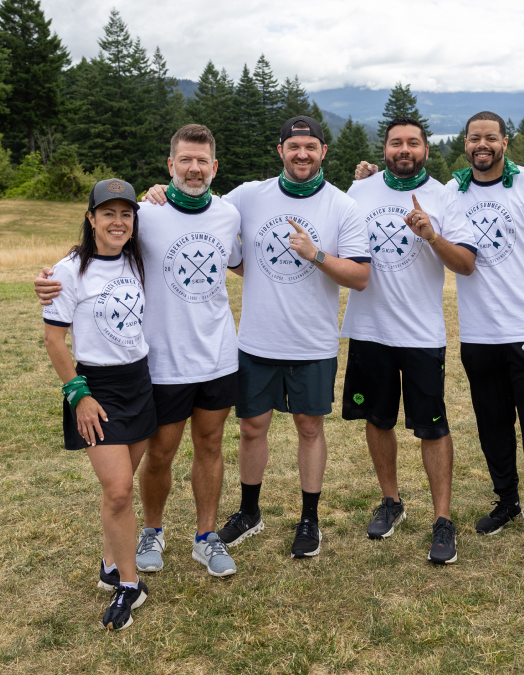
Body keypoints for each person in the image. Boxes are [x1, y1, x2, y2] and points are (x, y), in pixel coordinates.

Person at [143, 116, 370, 559]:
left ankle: (310, 518)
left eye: (310, 146)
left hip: (313, 341)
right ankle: (249, 512)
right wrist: (155, 193)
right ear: (280, 150)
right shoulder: (247, 196)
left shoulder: (342, 206)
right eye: (293, 146)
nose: (301, 153)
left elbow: (360, 277)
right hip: (254, 341)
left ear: (323, 152)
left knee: (309, 427)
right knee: (251, 428)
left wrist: (316, 255)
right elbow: (200, 213)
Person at [36, 125, 242, 579]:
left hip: (219, 354)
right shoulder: (146, 214)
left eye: (202, 161)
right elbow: (99, 247)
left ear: (214, 167)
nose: (193, 168)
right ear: (170, 166)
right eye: (184, 160)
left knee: (210, 445)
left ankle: (206, 538)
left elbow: (242, 263)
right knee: (161, 452)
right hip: (164, 360)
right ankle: (152, 530)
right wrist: (53, 279)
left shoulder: (229, 215)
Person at [340, 117, 476, 564]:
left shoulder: (445, 197)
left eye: (413, 143)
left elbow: (466, 265)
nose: (404, 149)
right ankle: (391, 502)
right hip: (369, 328)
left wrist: (431, 234)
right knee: (378, 419)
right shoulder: (359, 192)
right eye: (396, 142)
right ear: (384, 150)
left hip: (421, 333)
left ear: (426, 150)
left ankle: (442, 520)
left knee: (432, 426)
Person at [446, 111, 524, 563]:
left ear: (504, 142)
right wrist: (372, 175)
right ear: (464, 143)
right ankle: (507, 502)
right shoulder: (451, 192)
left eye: (491, 138)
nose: (483, 145)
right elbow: (408, 197)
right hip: (478, 335)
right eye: (475, 137)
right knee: (492, 427)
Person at [42, 178, 155, 630]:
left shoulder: (136, 259)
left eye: (125, 213)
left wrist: (156, 191)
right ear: (90, 219)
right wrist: (79, 395)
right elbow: (54, 340)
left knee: (121, 489)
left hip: (140, 382)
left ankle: (111, 562)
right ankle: (129, 585)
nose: (117, 221)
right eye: (107, 213)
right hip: (97, 389)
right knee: (119, 489)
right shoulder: (68, 271)